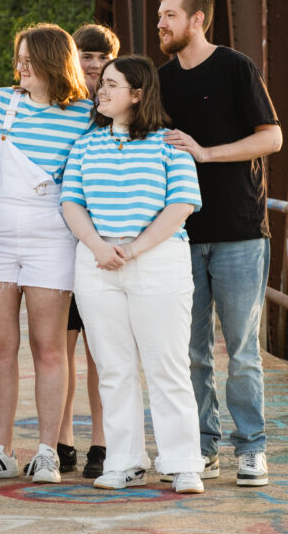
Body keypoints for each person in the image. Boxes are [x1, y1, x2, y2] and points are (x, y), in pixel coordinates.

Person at [157, 0, 282, 487]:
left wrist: (204, 152)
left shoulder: (236, 67)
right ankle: (202, 445)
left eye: (170, 15)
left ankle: (251, 448)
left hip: (239, 231)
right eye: (160, 15)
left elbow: (271, 137)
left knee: (242, 348)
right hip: (179, 235)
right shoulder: (162, 79)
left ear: (198, 20)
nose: (161, 23)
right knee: (189, 351)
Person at [61, 55, 205, 493]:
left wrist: (133, 249)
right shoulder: (85, 145)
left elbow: (181, 205)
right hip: (97, 265)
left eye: (111, 84)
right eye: (100, 84)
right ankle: (124, 461)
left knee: (167, 365)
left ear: (138, 94)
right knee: (114, 368)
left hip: (157, 263)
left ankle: (182, 464)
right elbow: (71, 203)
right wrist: (100, 248)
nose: (100, 91)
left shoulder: (169, 144)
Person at [0, 23, 93, 484]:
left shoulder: (86, 114)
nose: (19, 68)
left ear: (54, 62)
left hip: (52, 238)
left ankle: (47, 451)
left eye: (28, 61)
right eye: (17, 59)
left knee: (49, 347)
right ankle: (0, 450)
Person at [53, 23, 119, 479]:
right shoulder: (65, 108)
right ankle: (61, 439)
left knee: (101, 350)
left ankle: (101, 441)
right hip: (60, 245)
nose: (92, 65)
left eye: (101, 58)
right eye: (85, 56)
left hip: (104, 246)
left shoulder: (116, 111)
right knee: (61, 347)